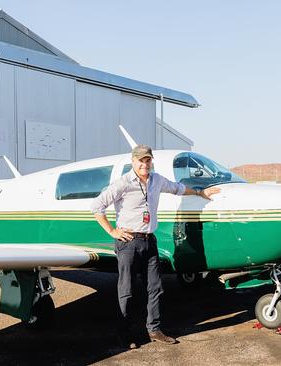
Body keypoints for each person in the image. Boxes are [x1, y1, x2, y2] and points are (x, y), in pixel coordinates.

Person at [90, 144, 220, 349]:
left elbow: (177, 189)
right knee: (127, 289)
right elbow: (96, 206)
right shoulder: (122, 183)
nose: (144, 164)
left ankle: (154, 329)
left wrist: (200, 192)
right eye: (141, 160)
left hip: (149, 240)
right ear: (133, 162)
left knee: (156, 287)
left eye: (147, 160)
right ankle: (125, 334)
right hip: (128, 242)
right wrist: (112, 231)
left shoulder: (157, 180)